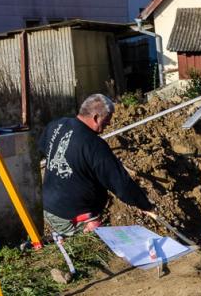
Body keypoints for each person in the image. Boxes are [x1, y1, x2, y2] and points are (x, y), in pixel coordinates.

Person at [39, 93, 156, 236]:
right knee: (103, 243)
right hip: (72, 215)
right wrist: (144, 204)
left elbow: (44, 149)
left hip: (48, 205)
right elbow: (120, 183)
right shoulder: (94, 145)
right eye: (107, 119)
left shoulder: (57, 125)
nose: (109, 123)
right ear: (95, 117)